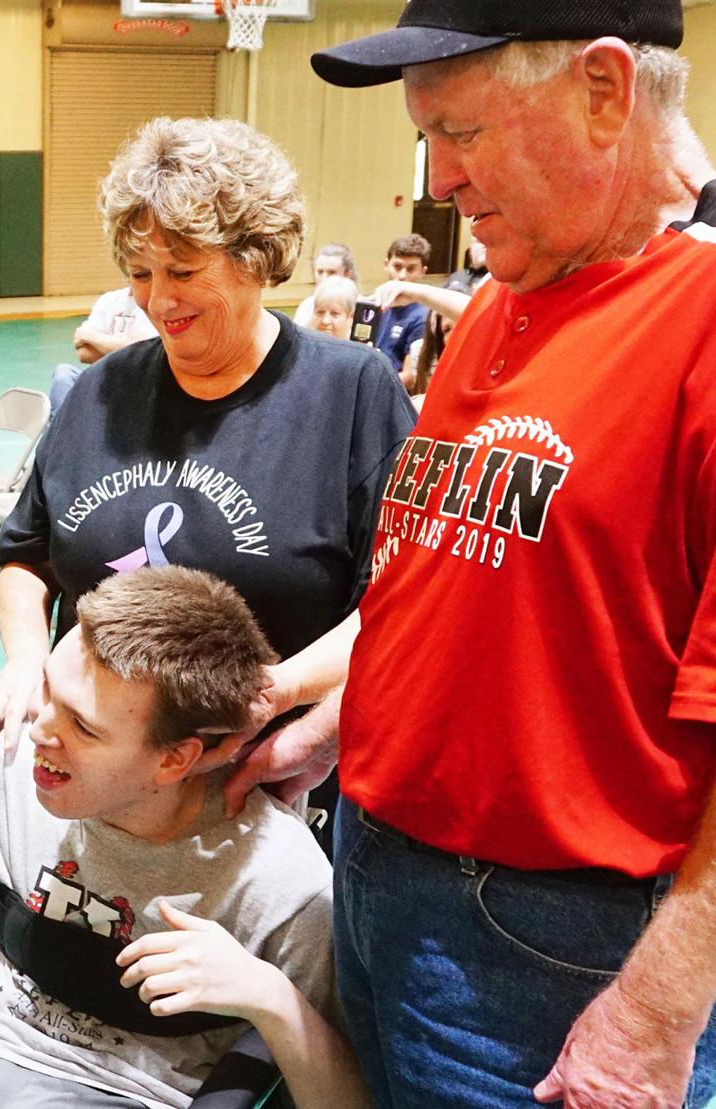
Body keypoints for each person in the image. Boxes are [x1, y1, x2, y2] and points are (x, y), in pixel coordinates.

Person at [271, 1, 716, 1104]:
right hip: (376, 868)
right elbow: (464, 586)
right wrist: (335, 726)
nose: (440, 178)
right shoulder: (494, 306)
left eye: (460, 133)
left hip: (557, 944)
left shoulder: (699, 323)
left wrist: (659, 1004)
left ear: (606, 93)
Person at [0, 117, 414, 846]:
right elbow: (26, 555)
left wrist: (276, 695)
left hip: (264, 788)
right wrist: (23, 663)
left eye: (182, 270)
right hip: (102, 795)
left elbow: (399, 602)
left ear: (255, 258)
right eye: (140, 273)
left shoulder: (351, 394)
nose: (155, 299)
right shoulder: (99, 392)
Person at [0, 568, 366, 1109]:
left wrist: (271, 999)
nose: (38, 730)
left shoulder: (280, 882)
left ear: (175, 758)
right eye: (49, 693)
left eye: (84, 727)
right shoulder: (11, 770)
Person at [48, 286, 157, 414]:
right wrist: (120, 345)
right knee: (64, 373)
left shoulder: (154, 304)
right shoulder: (109, 300)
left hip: (138, 388)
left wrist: (92, 337)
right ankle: (59, 431)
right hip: (102, 381)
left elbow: (141, 355)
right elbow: (84, 354)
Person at [372, 233, 431, 374]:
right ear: (386, 265)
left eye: (411, 269)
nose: (402, 276)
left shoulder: (422, 317)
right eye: (397, 267)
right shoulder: (373, 304)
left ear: (423, 272)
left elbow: (409, 377)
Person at [293, 242, 359, 329]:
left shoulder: (360, 307)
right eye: (320, 272)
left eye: (332, 272)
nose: (324, 278)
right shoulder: (307, 306)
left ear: (348, 274)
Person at [296, 275, 358, 341]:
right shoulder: (301, 347)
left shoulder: (360, 350)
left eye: (335, 313)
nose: (325, 321)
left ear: (351, 317)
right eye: (320, 312)